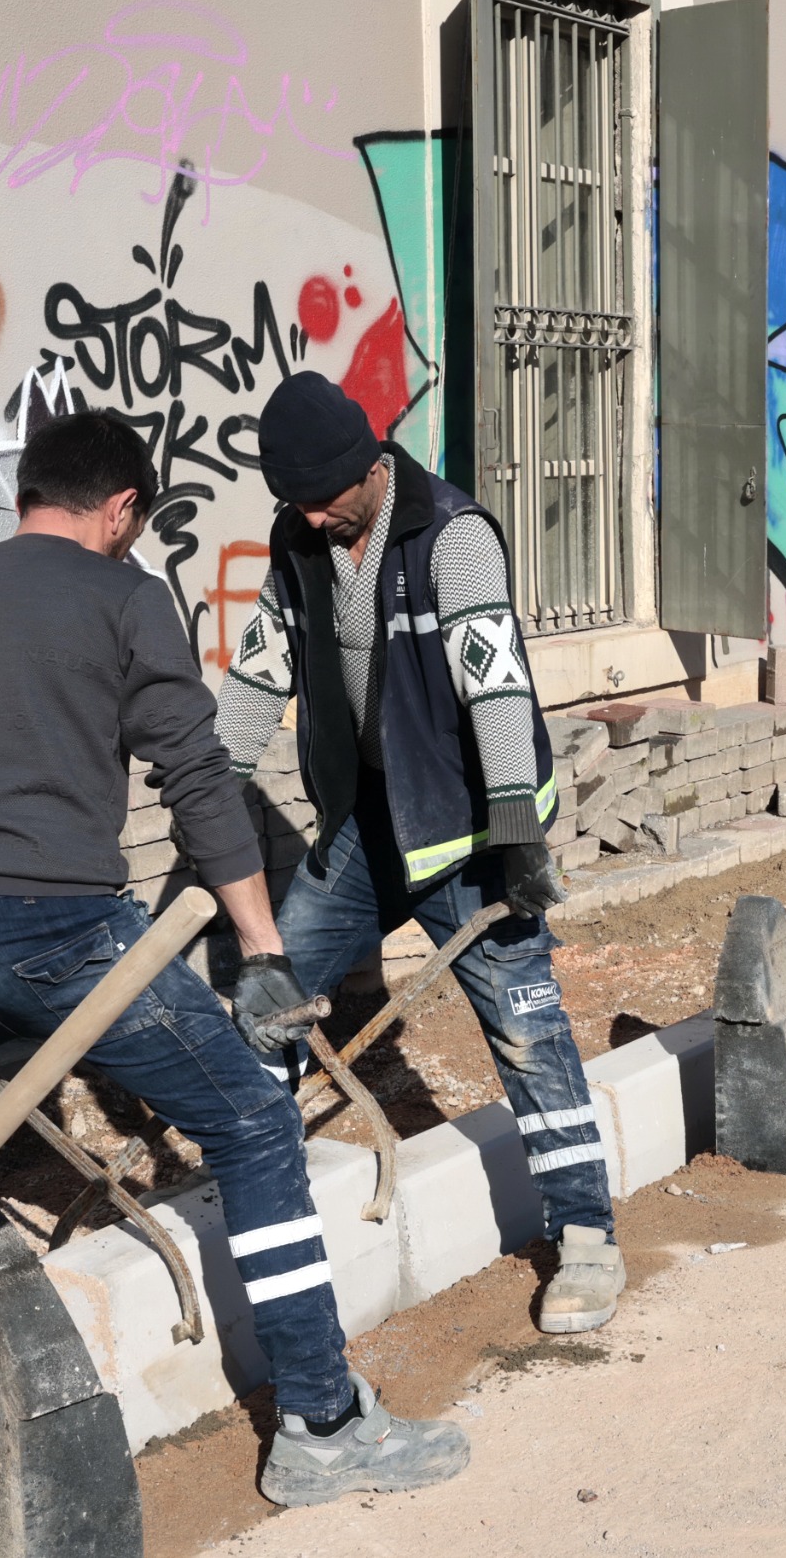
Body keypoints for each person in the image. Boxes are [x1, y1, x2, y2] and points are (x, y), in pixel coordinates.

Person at [0, 409, 466, 1507]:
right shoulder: (123, 597)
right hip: (51, 931)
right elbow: (197, 776)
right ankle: (322, 1422)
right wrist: (260, 948)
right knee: (252, 1117)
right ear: (118, 509)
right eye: (134, 524)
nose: (132, 541)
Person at [214, 372, 625, 1336]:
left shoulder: (453, 535)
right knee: (267, 998)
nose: (309, 518)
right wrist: (208, 775)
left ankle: (589, 1237)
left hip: (473, 825)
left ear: (365, 465)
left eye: (319, 497)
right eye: (293, 503)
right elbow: (258, 670)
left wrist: (519, 830)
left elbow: (497, 687)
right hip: (369, 824)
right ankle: (264, 1206)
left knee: (526, 1028)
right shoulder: (299, 540)